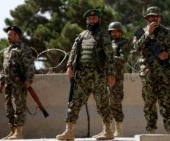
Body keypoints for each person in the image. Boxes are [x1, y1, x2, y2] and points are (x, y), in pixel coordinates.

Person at [56, 9, 116, 140]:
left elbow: (110, 55)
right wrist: (69, 66)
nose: (91, 21)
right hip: (81, 76)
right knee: (74, 103)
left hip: (98, 75)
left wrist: (111, 73)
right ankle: (69, 131)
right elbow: (73, 50)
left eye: (94, 18)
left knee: (102, 103)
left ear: (99, 20)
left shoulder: (103, 35)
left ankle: (108, 131)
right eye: (89, 19)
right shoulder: (82, 35)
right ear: (86, 21)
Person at [133, 6, 170, 134]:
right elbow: (136, 48)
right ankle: (151, 130)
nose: (154, 19)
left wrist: (168, 54)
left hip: (163, 73)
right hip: (147, 73)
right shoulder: (140, 32)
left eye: (156, 17)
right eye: (151, 17)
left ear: (160, 18)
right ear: (147, 19)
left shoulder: (167, 33)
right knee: (149, 103)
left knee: (166, 103)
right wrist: (148, 33)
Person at [0, 26, 35, 139]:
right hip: (8, 84)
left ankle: (19, 133)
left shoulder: (23, 48)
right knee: (9, 108)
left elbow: (30, 66)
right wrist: (1, 82)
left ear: (17, 35)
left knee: (19, 107)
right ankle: (12, 131)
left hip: (19, 84)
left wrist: (29, 80)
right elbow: (5, 68)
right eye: (8, 34)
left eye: (10, 35)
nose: (8, 37)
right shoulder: (7, 50)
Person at [108, 21, 131, 137]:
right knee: (104, 103)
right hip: (104, 77)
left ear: (120, 32)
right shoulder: (107, 43)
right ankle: (107, 129)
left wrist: (109, 57)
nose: (115, 33)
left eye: (117, 31)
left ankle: (118, 129)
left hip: (116, 77)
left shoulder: (124, 43)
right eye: (112, 31)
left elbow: (123, 59)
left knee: (115, 102)